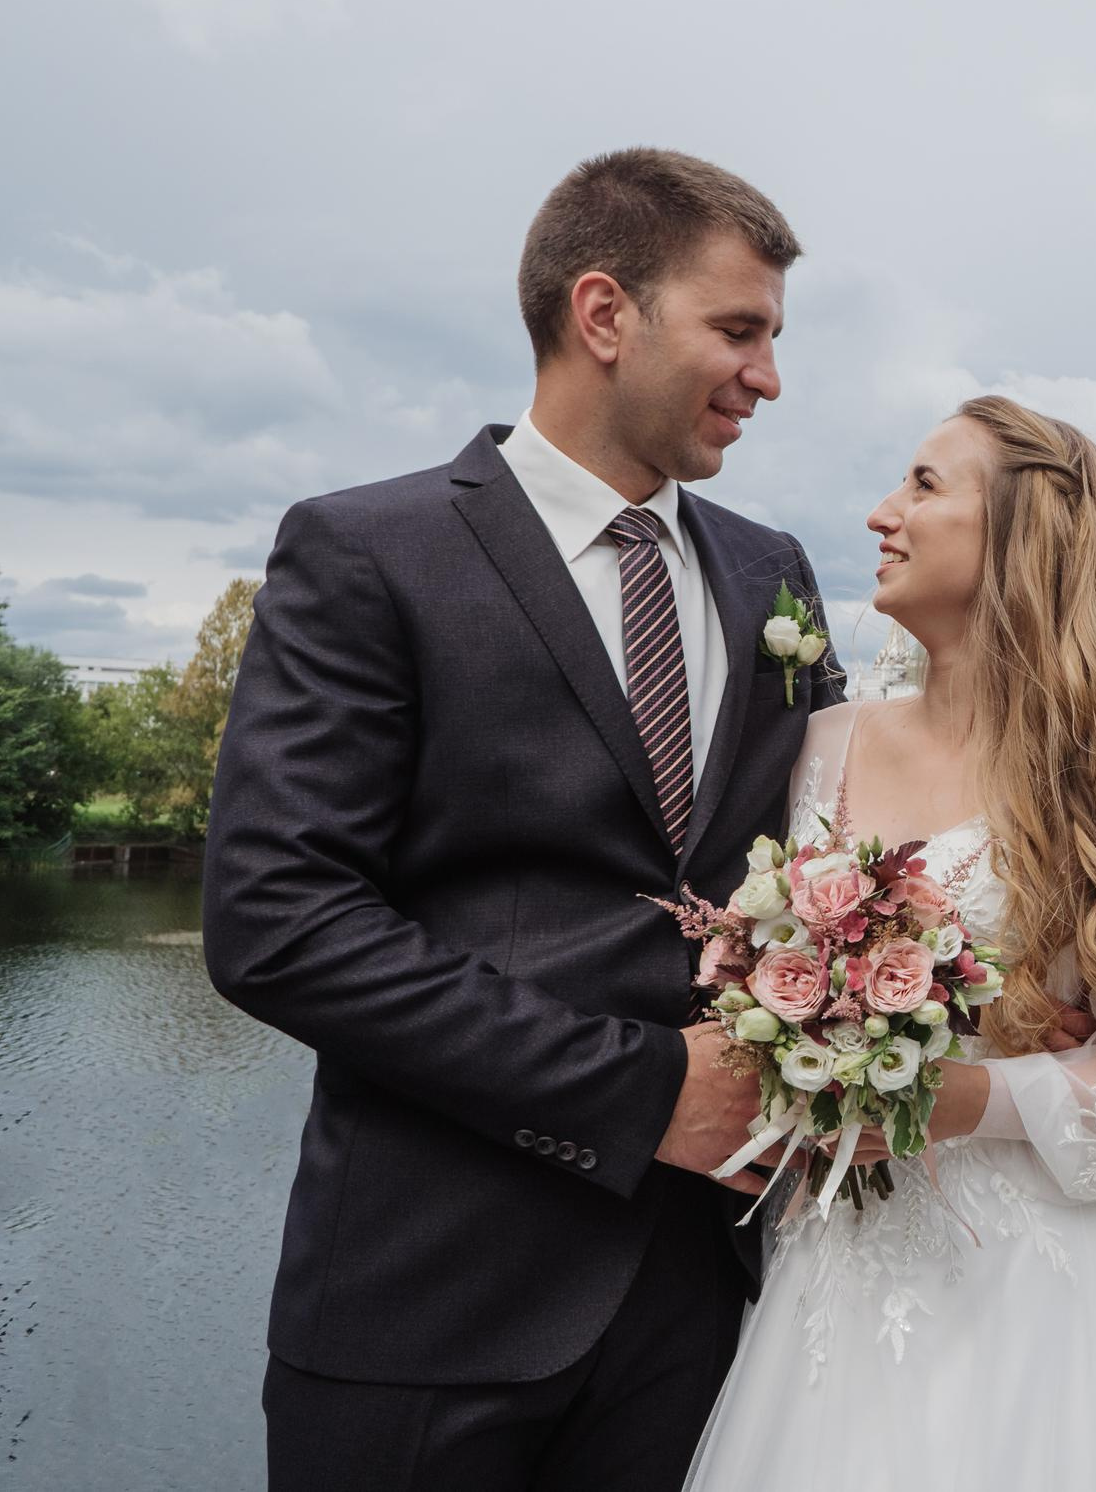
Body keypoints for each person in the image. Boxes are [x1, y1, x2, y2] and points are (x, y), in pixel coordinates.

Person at [205, 148, 843, 1490]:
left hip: (705, 1304)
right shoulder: (369, 552)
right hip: (429, 1301)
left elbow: (844, 846)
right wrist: (645, 1087)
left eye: (774, 337)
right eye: (739, 329)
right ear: (604, 314)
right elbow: (280, 924)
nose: (769, 376)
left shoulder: (774, 572)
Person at [682, 396, 1096, 1491]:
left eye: (923, 485)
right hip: (825, 1276)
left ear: (1021, 535)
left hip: (1015, 1286)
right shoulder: (819, 743)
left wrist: (972, 1097)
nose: (880, 514)